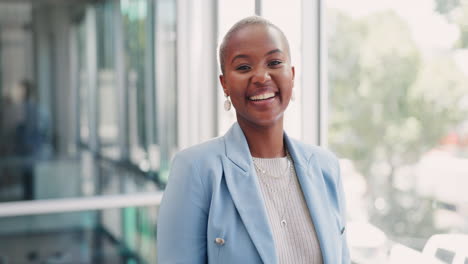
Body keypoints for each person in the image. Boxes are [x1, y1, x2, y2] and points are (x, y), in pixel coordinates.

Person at [157, 16, 350, 264]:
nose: (261, 77)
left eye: (274, 62)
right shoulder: (196, 169)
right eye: (244, 67)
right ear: (225, 83)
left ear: (291, 74)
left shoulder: (326, 167)